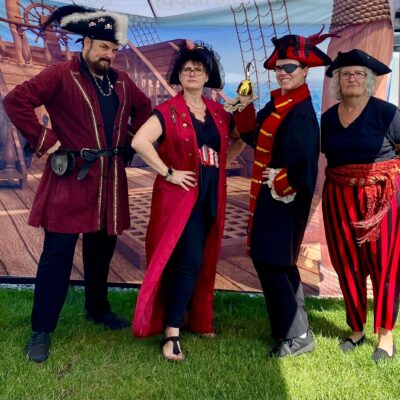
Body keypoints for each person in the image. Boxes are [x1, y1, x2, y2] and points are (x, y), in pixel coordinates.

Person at [3, 5, 152, 363]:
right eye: (103, 47)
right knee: (57, 257)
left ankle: (97, 309)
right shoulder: (60, 74)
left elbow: (146, 109)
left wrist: (132, 137)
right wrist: (46, 140)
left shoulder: (120, 81)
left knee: (101, 253)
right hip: (71, 178)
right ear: (86, 43)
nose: (109, 55)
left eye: (113, 50)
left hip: (110, 181)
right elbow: (15, 101)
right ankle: (41, 330)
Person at [131, 40, 245, 361]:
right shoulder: (167, 111)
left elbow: (238, 140)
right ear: (179, 76)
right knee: (190, 260)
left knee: (202, 258)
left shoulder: (219, 113)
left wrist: (223, 164)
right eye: (187, 69)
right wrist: (168, 172)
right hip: (181, 197)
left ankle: (195, 318)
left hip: (211, 193)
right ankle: (171, 332)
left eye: (199, 68)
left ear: (207, 75)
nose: (192, 73)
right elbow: (140, 141)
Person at [233, 31, 332, 357]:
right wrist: (245, 104)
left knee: (272, 261)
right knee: (279, 262)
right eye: (279, 68)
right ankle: (297, 330)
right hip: (269, 195)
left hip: (284, 198)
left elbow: (305, 166)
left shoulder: (302, 110)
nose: (283, 73)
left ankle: (295, 336)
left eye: (290, 67)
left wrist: (280, 183)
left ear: (305, 70)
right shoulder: (279, 102)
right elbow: (251, 136)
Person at [321, 49, 400, 362]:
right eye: (345, 74)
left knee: (384, 266)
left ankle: (386, 335)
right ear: (338, 81)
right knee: (347, 264)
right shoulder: (328, 118)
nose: (351, 78)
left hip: (382, 200)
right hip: (339, 198)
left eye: (358, 74)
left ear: (369, 81)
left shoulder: (388, 113)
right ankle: (356, 329)